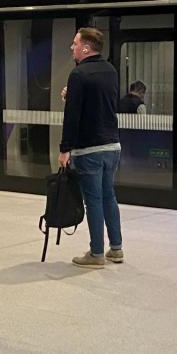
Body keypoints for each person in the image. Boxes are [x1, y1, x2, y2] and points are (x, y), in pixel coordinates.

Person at [59, 27, 124, 267]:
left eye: (75, 43)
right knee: (109, 197)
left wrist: (65, 148)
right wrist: (72, 95)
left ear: (86, 48)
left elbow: (73, 116)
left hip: (89, 149)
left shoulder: (78, 74)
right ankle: (116, 249)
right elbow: (100, 102)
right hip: (112, 145)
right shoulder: (110, 70)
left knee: (93, 201)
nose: (72, 47)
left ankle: (96, 253)